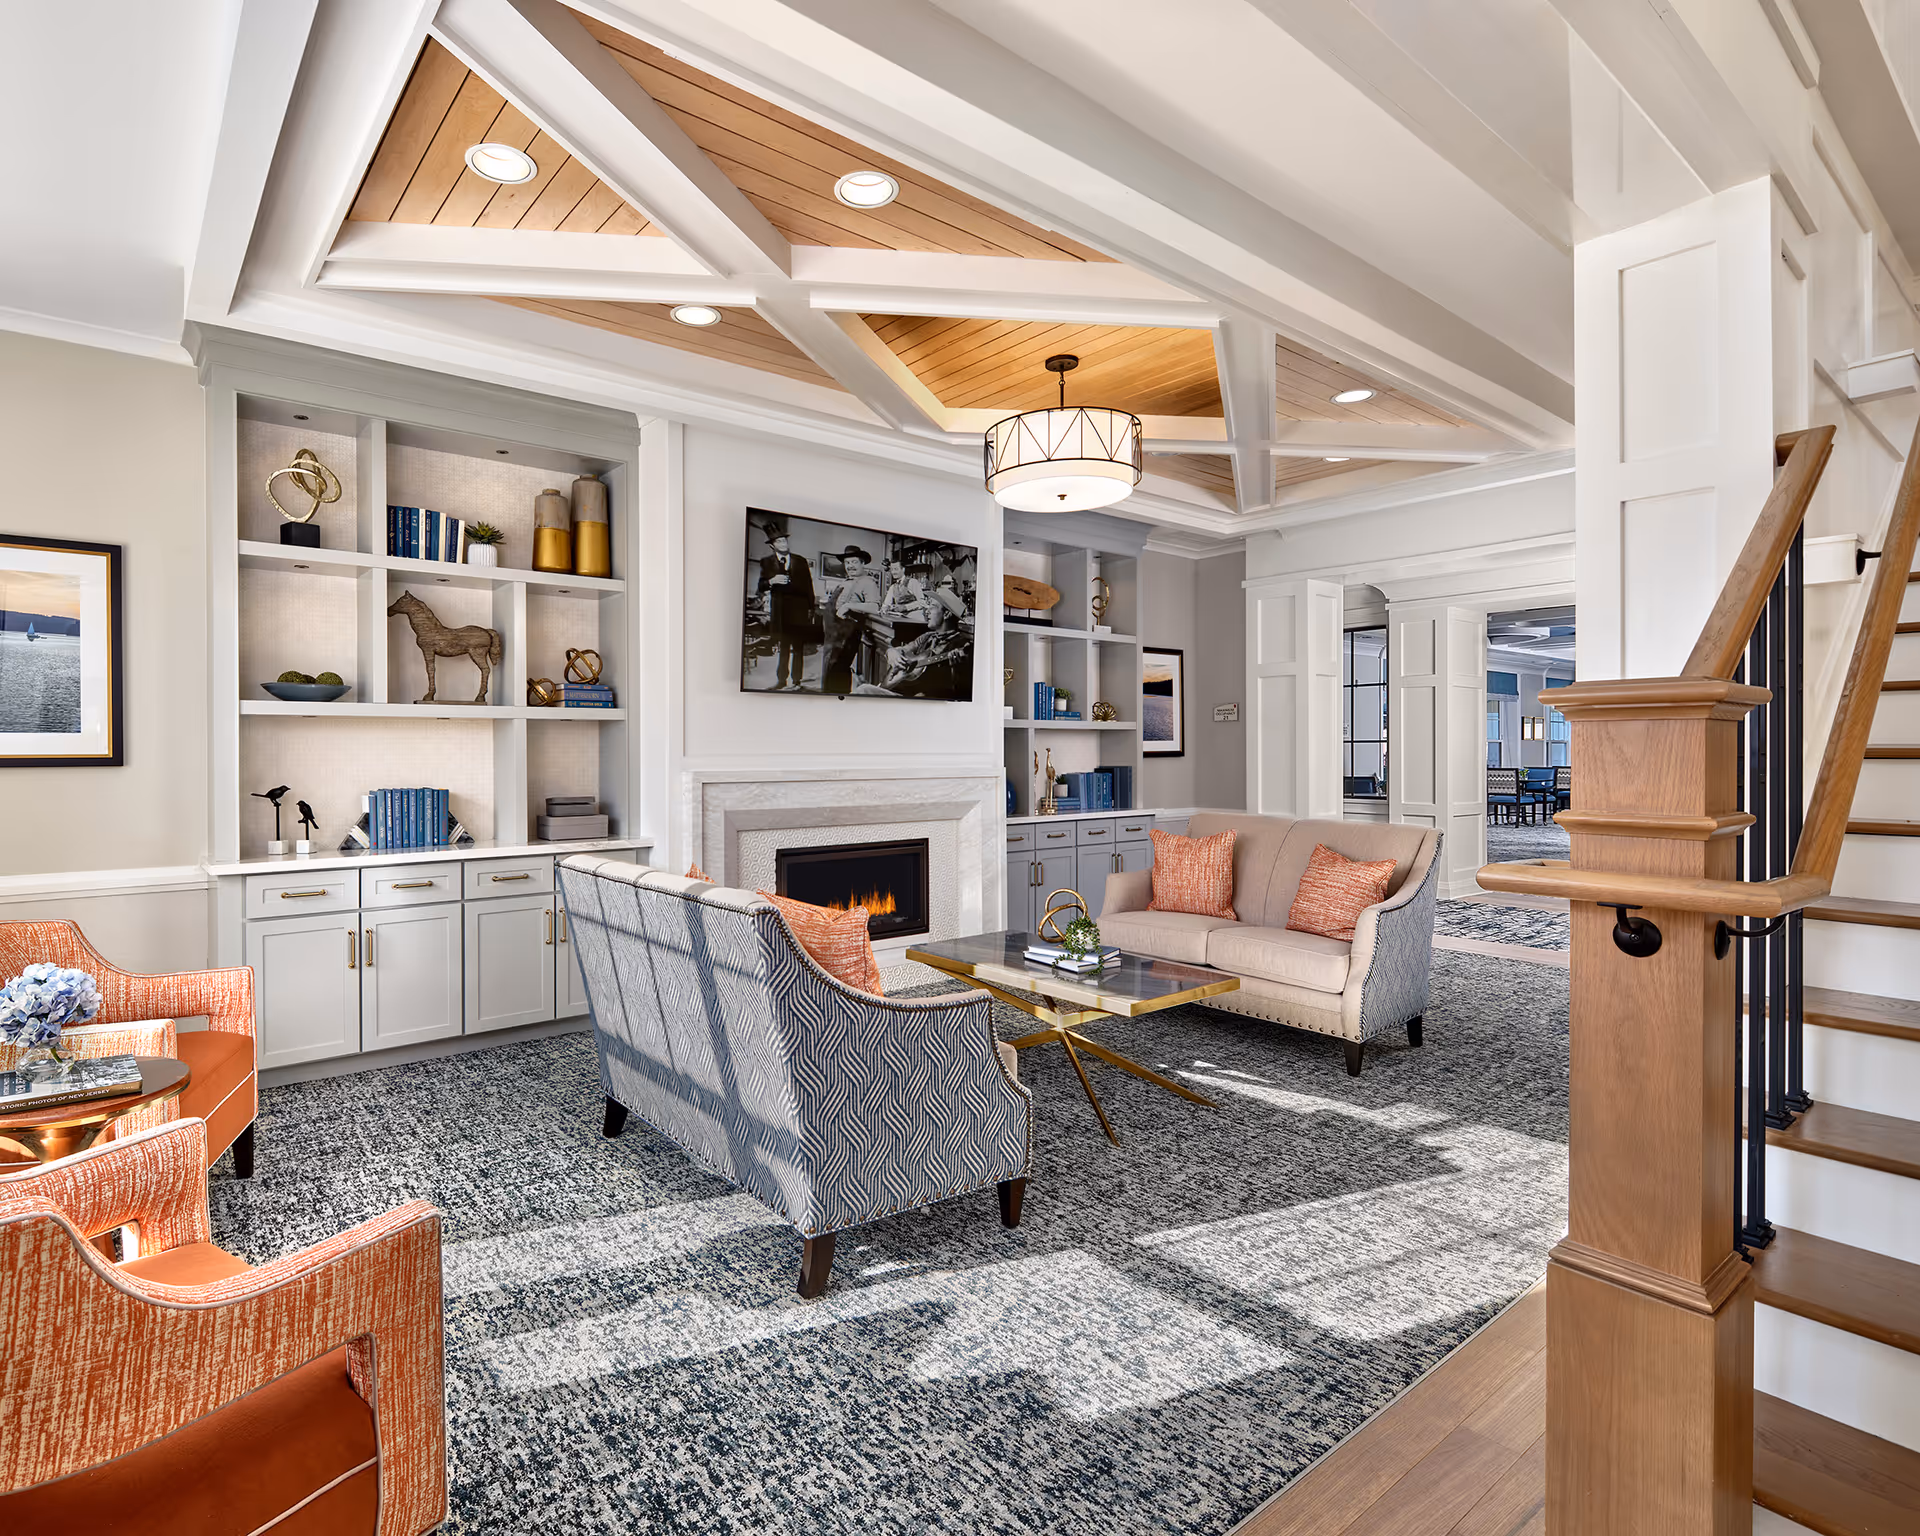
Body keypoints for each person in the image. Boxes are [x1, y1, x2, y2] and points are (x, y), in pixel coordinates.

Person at [754, 526, 816, 689]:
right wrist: (771, 581)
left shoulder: (800, 560)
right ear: (772, 545)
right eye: (778, 541)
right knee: (783, 648)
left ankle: (797, 681)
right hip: (780, 613)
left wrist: (811, 610)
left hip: (800, 612)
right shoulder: (766, 562)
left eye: (784, 540)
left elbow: (809, 587)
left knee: (798, 648)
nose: (783, 543)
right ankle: (781, 680)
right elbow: (760, 586)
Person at [820, 546, 883, 694]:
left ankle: (839, 702)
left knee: (838, 670)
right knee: (830, 669)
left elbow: (875, 607)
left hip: (847, 634)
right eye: (847, 563)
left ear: (862, 564)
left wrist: (849, 605)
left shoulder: (868, 582)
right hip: (833, 635)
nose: (850, 566)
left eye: (854, 562)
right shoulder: (845, 582)